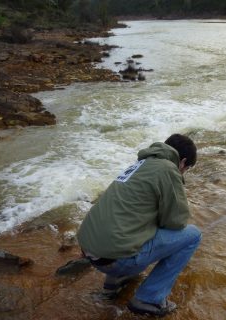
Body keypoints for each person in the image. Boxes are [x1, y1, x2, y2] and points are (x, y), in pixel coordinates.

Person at [77, 133, 201, 317]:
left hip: (89, 252)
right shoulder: (169, 169)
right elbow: (176, 222)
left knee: (132, 223)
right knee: (192, 235)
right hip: (117, 259)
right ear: (182, 162)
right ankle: (149, 299)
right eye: (187, 169)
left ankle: (115, 281)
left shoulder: (138, 165)